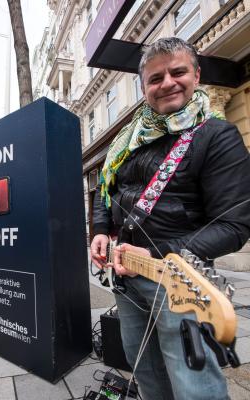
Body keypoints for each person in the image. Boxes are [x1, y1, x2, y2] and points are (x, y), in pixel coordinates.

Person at [90, 37, 250, 400]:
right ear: (144, 87)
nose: (167, 83)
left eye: (177, 72)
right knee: (144, 367)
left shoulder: (216, 135)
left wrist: (160, 253)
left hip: (179, 282)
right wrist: (100, 230)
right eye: (155, 78)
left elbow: (235, 225)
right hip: (126, 279)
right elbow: (106, 189)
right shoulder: (131, 138)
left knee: (194, 383)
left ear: (196, 75)